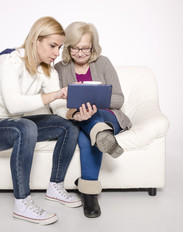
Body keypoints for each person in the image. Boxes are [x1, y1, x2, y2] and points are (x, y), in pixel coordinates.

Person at [0, 17, 81, 225]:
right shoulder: (9, 60)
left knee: (68, 127)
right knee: (26, 126)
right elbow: (14, 105)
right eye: (52, 46)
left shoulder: (47, 68)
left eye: (60, 47)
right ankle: (22, 203)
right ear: (36, 40)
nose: (57, 52)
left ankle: (55, 187)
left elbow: (57, 108)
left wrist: (74, 114)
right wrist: (55, 95)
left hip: (14, 125)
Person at [55, 22, 132, 218]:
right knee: (87, 135)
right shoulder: (60, 68)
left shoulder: (103, 63)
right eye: (75, 48)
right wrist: (79, 109)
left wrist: (95, 103)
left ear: (93, 46)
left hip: (107, 117)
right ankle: (89, 194)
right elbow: (58, 104)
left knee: (94, 121)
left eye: (86, 48)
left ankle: (88, 193)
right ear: (68, 46)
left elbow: (119, 99)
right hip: (78, 119)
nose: (80, 53)